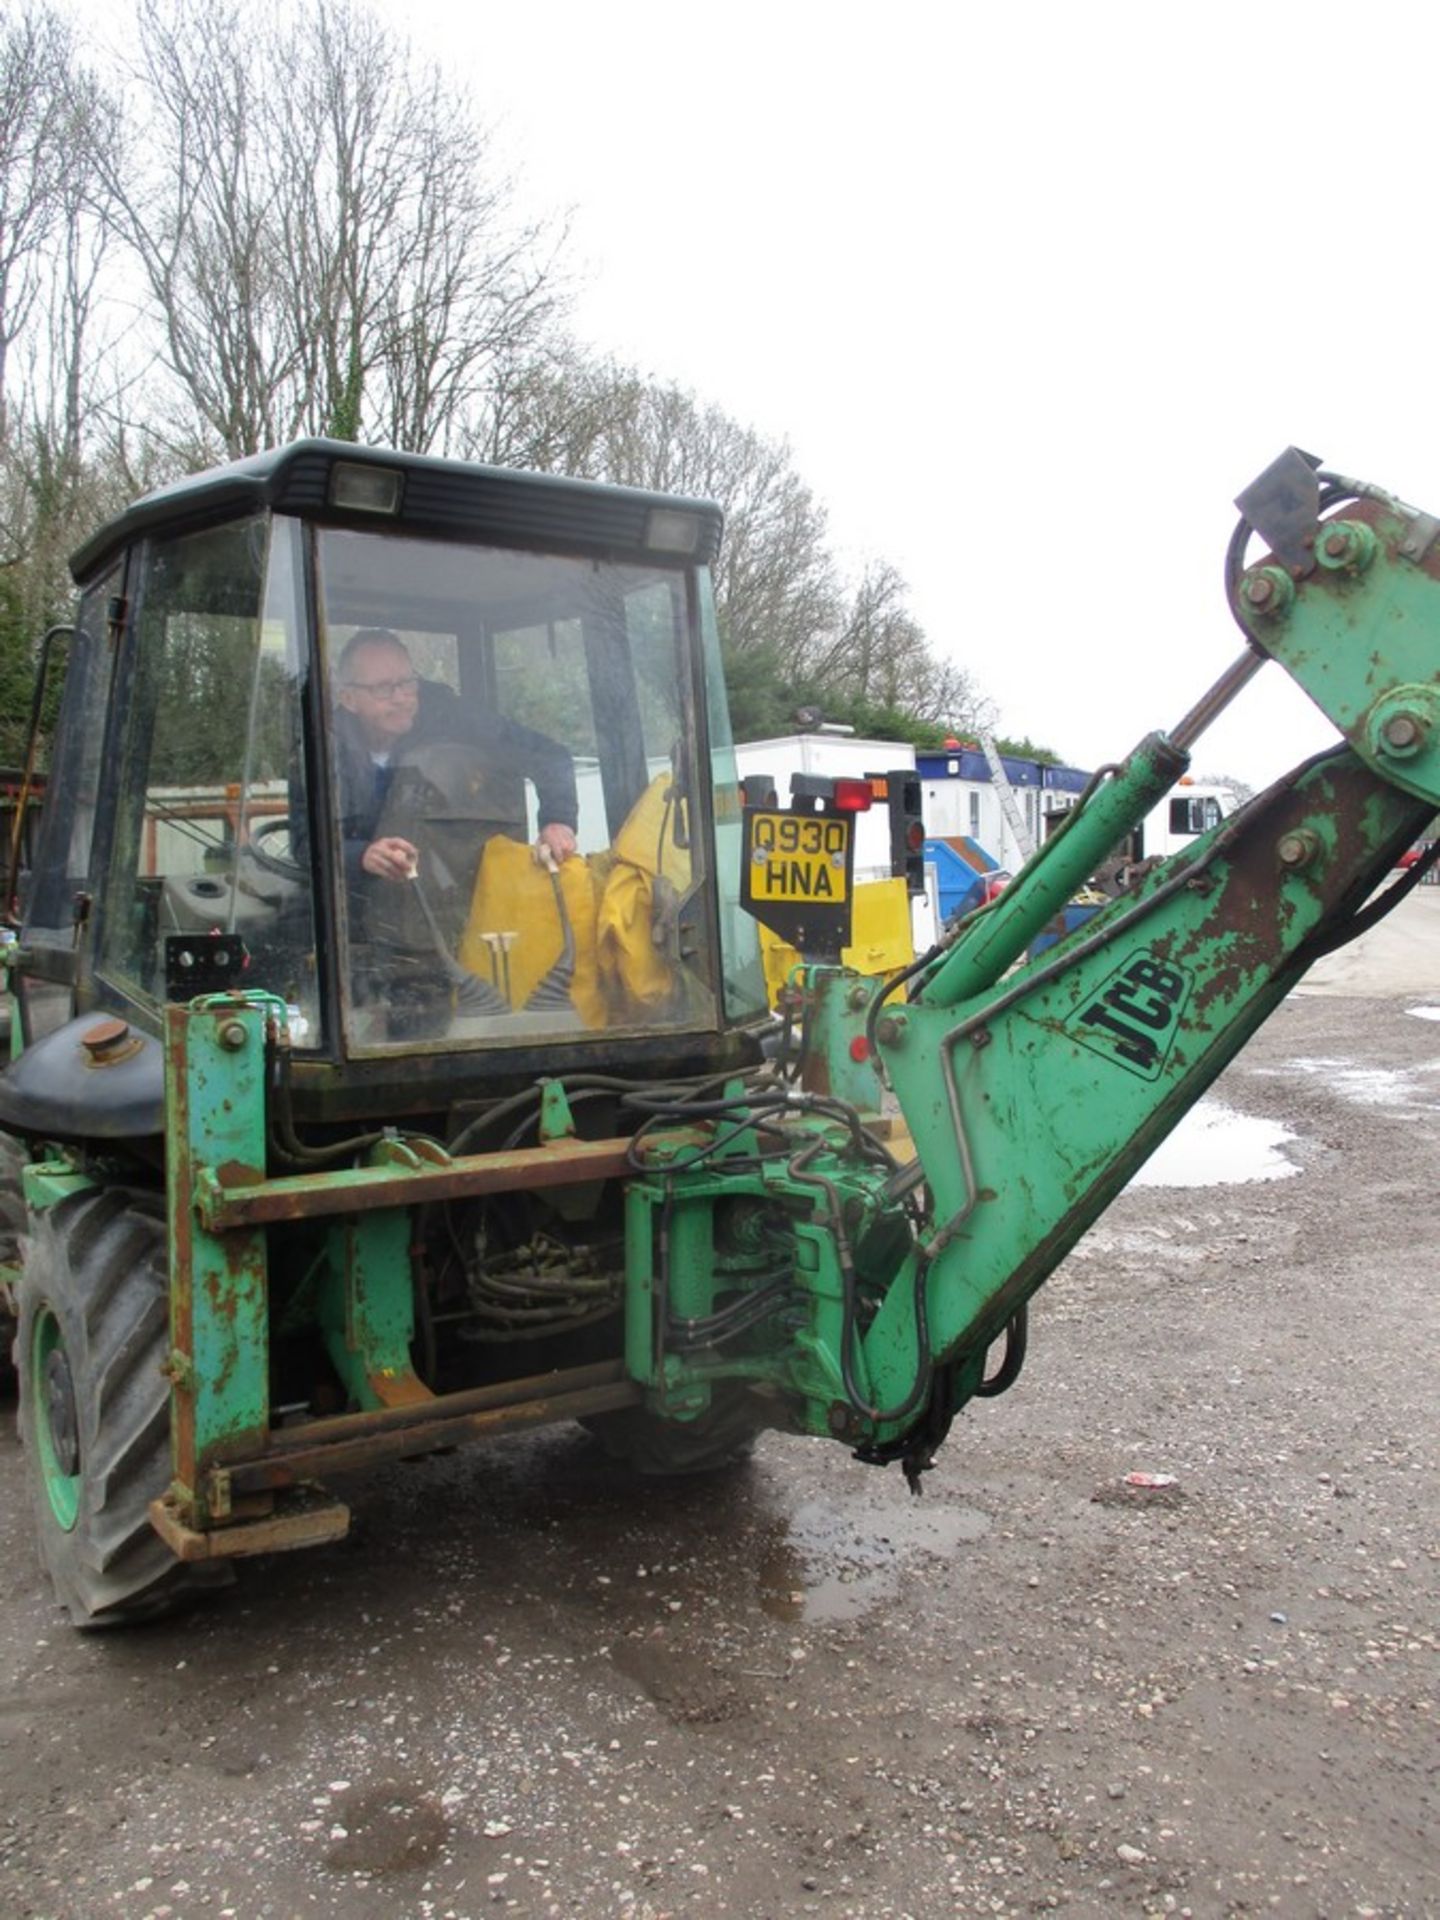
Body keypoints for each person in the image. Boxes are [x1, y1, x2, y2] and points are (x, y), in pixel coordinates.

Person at [332, 628, 579, 888]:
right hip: (354, 901)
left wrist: (558, 822)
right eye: (383, 688)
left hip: (459, 888)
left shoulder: (449, 717)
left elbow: (548, 756)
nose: (401, 698)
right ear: (349, 698)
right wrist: (360, 855)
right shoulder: (324, 745)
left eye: (407, 682)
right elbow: (307, 843)